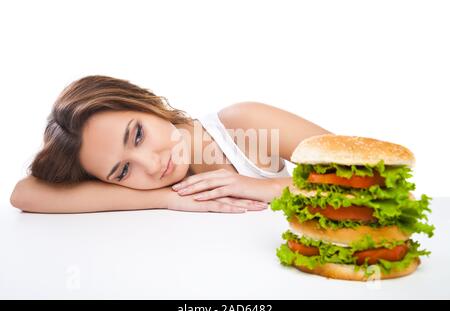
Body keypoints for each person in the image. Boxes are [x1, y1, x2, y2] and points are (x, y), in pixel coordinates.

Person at [9, 75, 330, 214]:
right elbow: (23, 193)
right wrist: (165, 199)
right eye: (122, 171)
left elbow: (372, 172)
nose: (150, 165)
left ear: (145, 103)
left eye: (137, 135)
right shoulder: (155, 189)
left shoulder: (243, 122)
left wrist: (261, 187)